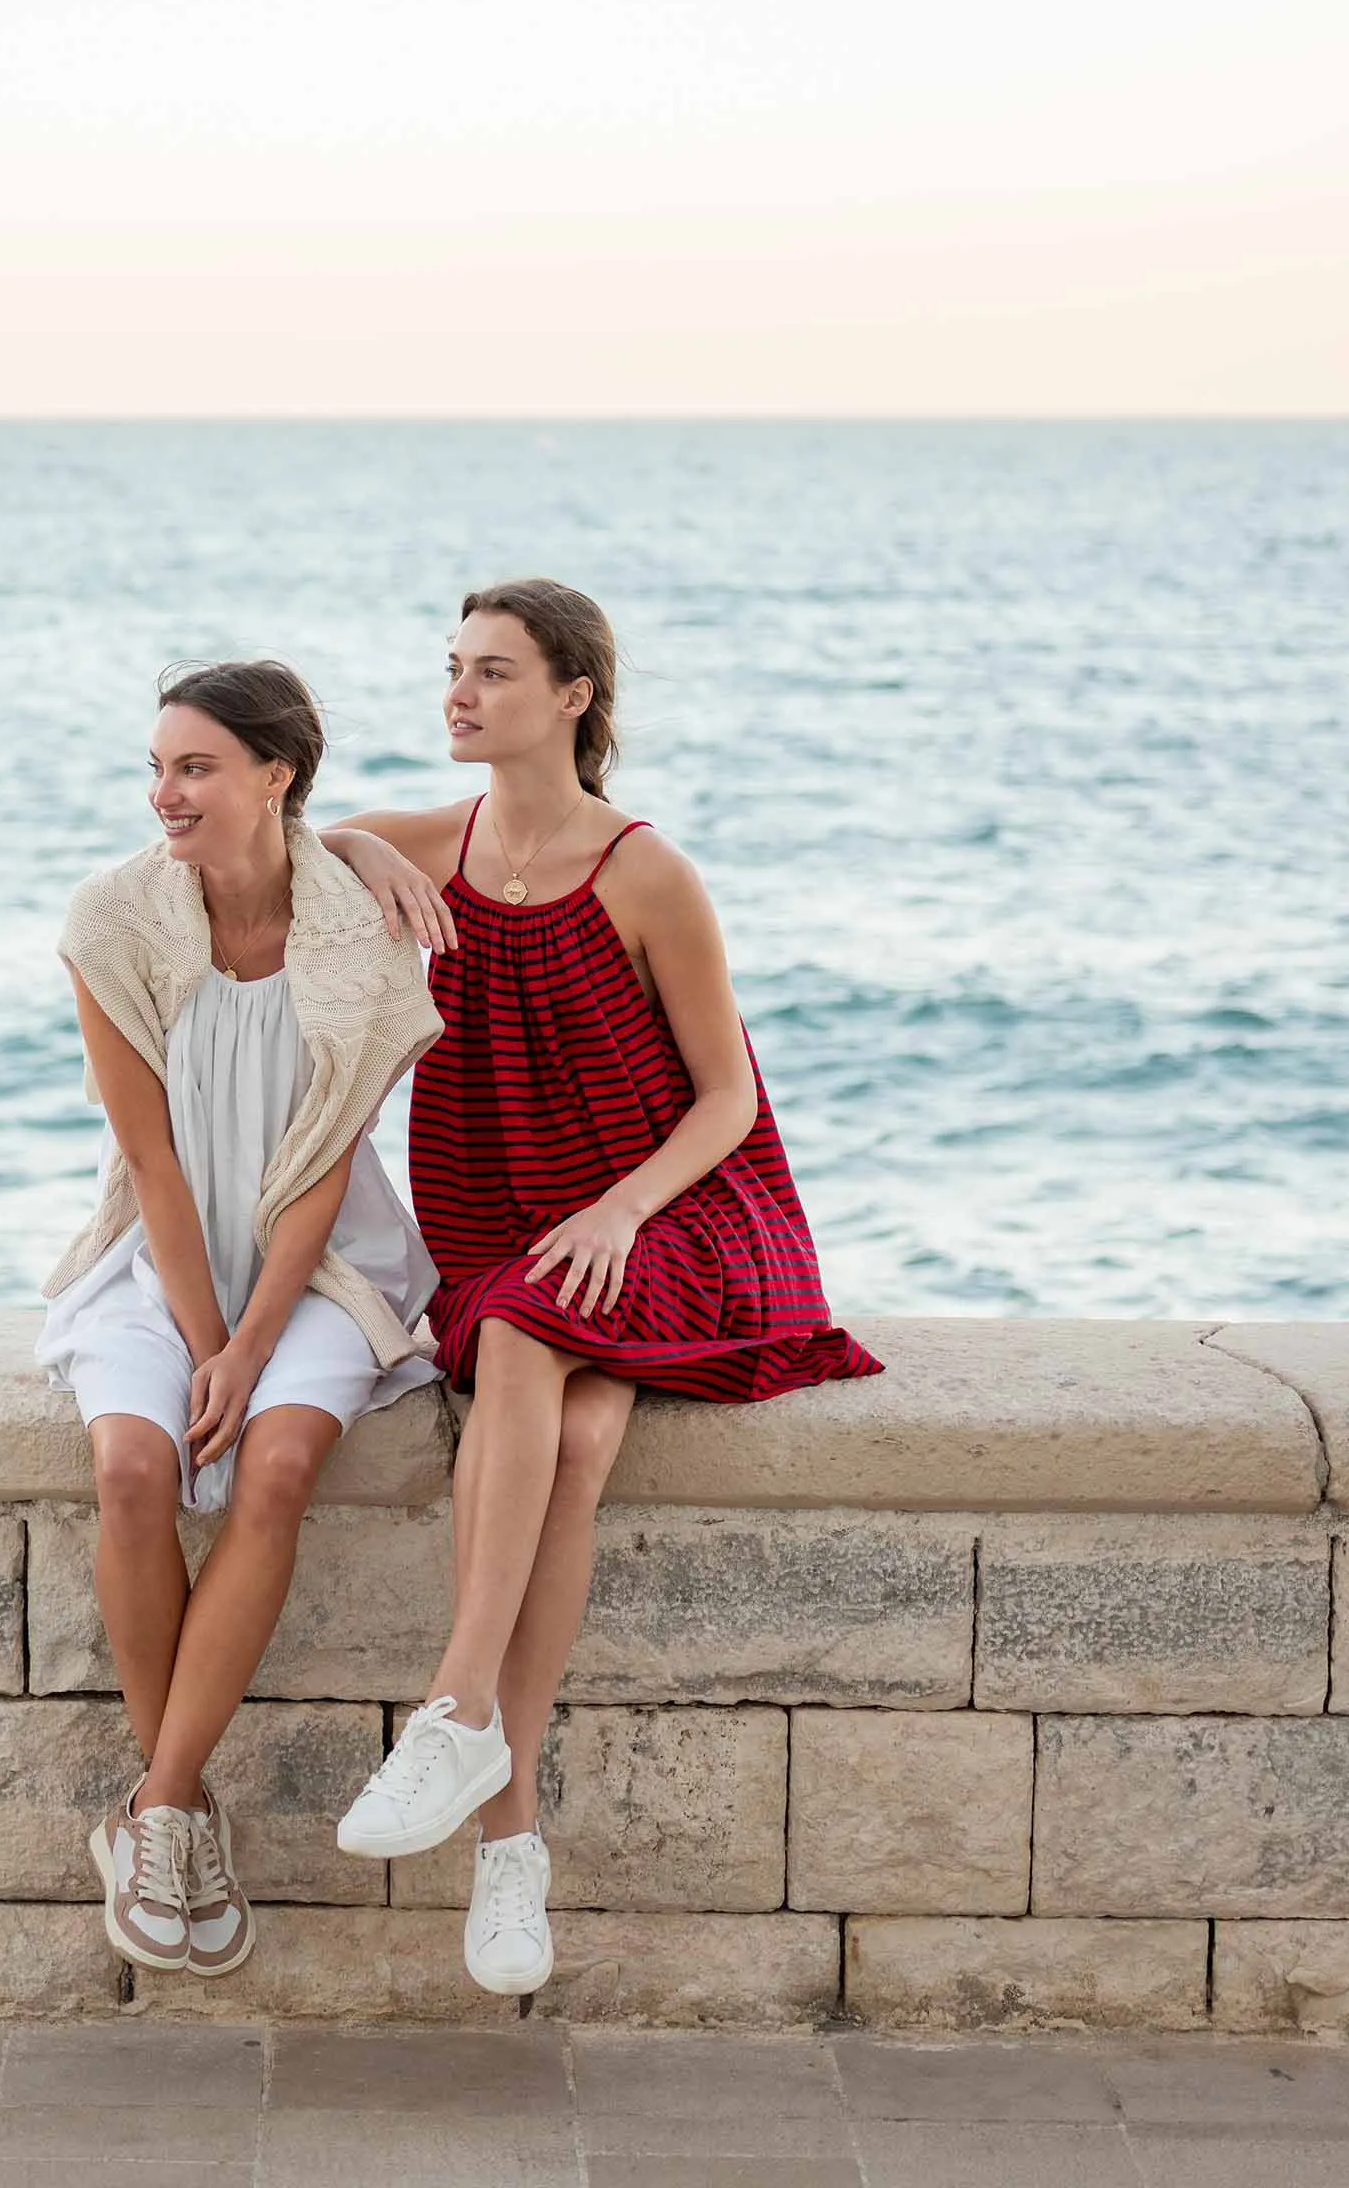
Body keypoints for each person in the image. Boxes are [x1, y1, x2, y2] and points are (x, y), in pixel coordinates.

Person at [321, 579, 882, 1996]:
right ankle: (508, 1842)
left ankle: (457, 1721)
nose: (457, 693)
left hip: (672, 1208)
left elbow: (727, 1099)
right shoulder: (426, 841)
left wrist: (627, 1207)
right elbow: (282, 841)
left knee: (522, 1338)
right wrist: (342, 841)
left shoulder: (645, 870)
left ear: (572, 695)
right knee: (567, 1434)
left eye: (493, 672)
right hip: (499, 1213)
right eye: (450, 668)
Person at [35, 659, 442, 1980]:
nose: (165, 793)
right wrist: (205, 1342)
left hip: (316, 1276)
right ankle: (181, 1806)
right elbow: (151, 1161)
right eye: (157, 767)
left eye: (196, 767)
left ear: (277, 777)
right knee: (132, 1462)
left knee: (272, 1462)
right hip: (160, 1264)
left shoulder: (354, 925)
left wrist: (255, 1347)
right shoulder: (113, 918)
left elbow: (325, 1165)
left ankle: (154, 1810)